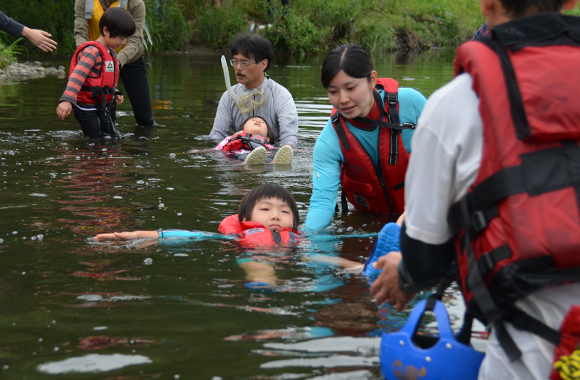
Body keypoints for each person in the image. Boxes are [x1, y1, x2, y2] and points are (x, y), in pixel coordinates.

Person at [369, 0, 580, 379]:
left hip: (533, 353)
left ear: (488, 3)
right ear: (572, 1)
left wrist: (406, 275)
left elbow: (426, 253)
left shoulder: (455, 103)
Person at [304, 44, 427, 232]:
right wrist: (308, 241)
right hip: (371, 225)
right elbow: (322, 203)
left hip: (424, 219)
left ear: (372, 80)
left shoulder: (412, 104)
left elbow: (453, 159)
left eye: (351, 88)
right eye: (333, 92)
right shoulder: (328, 143)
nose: (342, 99)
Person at [74, 0, 156, 128]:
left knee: (145, 119)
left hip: (130, 59)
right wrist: (88, 58)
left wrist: (113, 62)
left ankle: (142, 146)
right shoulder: (83, 1)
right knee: (105, 118)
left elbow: (135, 39)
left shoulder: (136, 3)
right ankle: (105, 145)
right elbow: (80, 33)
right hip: (97, 63)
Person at [56, 8, 135, 140]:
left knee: (109, 137)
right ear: (106, 31)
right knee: (94, 140)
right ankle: (86, 159)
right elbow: (77, 76)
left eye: (126, 39)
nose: (123, 43)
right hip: (86, 107)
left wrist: (114, 91)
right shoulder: (92, 52)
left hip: (101, 105)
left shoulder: (111, 54)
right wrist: (67, 100)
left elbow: (102, 79)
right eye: (121, 38)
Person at [209, 33, 299, 147]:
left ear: (263, 64)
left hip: (270, 153)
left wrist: (284, 152)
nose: (238, 67)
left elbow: (289, 138)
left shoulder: (281, 96)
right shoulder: (229, 96)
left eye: (245, 63)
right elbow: (217, 136)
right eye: (235, 61)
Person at [214, 116, 293, 165]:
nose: (258, 121)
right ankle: (246, 162)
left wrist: (290, 150)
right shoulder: (230, 139)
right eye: (253, 120)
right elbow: (217, 150)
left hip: (263, 157)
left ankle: (275, 163)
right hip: (237, 157)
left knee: (269, 157)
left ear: (267, 138)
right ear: (242, 129)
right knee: (240, 158)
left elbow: (276, 150)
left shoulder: (266, 143)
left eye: (262, 122)